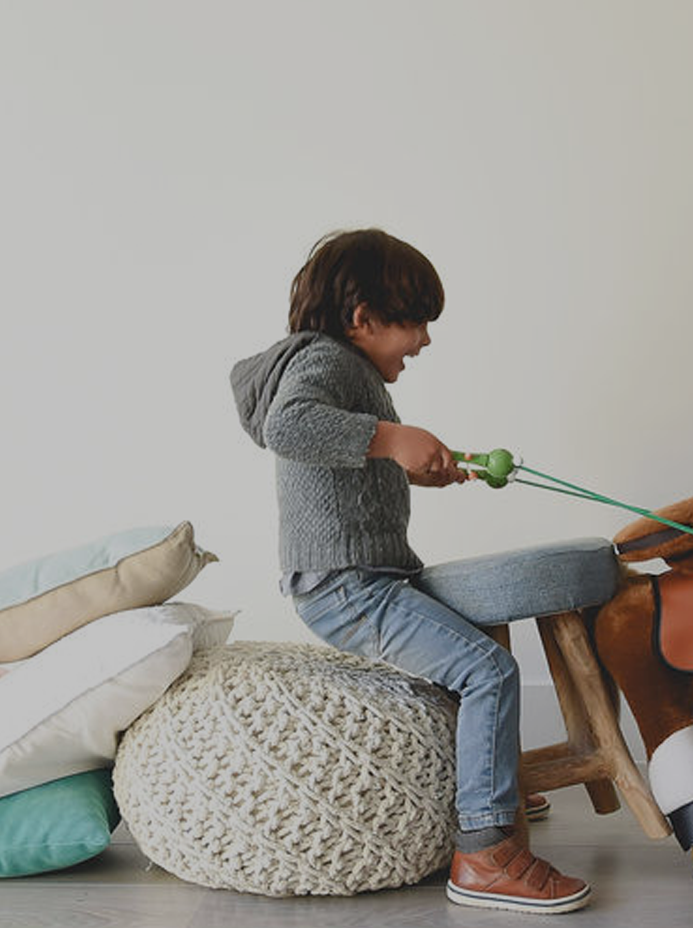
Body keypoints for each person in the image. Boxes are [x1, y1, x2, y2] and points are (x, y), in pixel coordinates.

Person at [230, 228, 591, 914]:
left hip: (368, 576)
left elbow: (348, 462)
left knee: (473, 650)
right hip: (346, 585)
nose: (423, 340)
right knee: (487, 669)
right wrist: (393, 438)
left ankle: (487, 781)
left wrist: (418, 466)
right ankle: (485, 855)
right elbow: (289, 427)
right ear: (362, 319)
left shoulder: (348, 368)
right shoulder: (324, 362)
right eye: (413, 322)